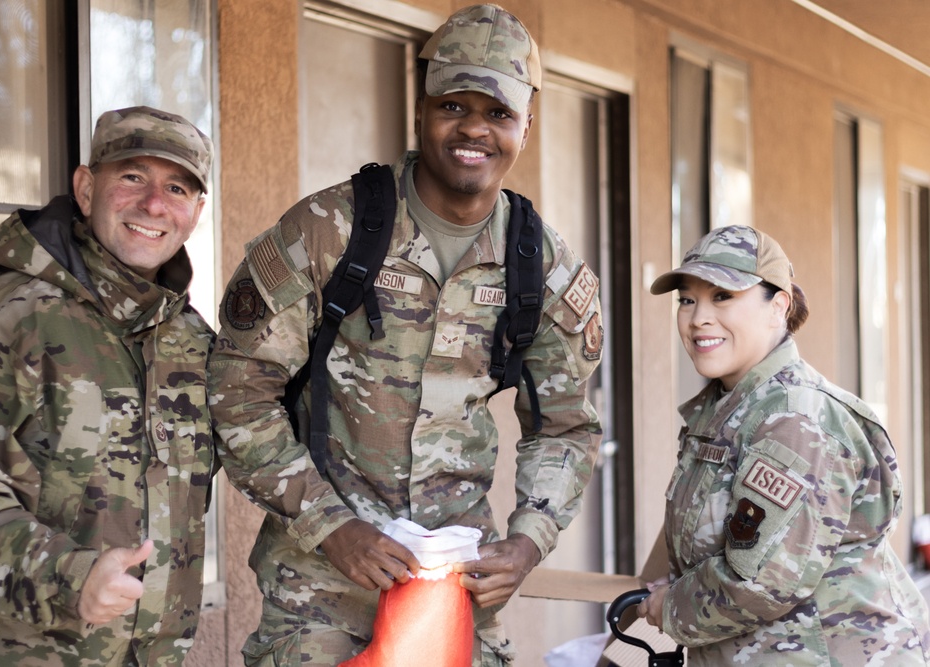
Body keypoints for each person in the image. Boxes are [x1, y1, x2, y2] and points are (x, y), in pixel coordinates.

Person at [208, 4, 603, 665]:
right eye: (455, 105)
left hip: (452, 589)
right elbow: (237, 388)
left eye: (499, 113)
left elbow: (565, 426)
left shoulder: (544, 266)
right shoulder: (329, 231)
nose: (474, 128)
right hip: (322, 590)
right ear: (422, 109)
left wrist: (529, 539)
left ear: (526, 126)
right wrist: (329, 524)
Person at [0, 106, 217, 665]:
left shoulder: (188, 338)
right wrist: (69, 576)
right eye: (132, 176)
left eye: (177, 187)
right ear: (86, 189)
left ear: (196, 211)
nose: (154, 204)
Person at [636, 225, 930, 664]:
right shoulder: (729, 408)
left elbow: (760, 583)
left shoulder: (795, 418)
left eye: (722, 296)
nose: (698, 318)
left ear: (779, 306)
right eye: (687, 299)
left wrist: (671, 606)